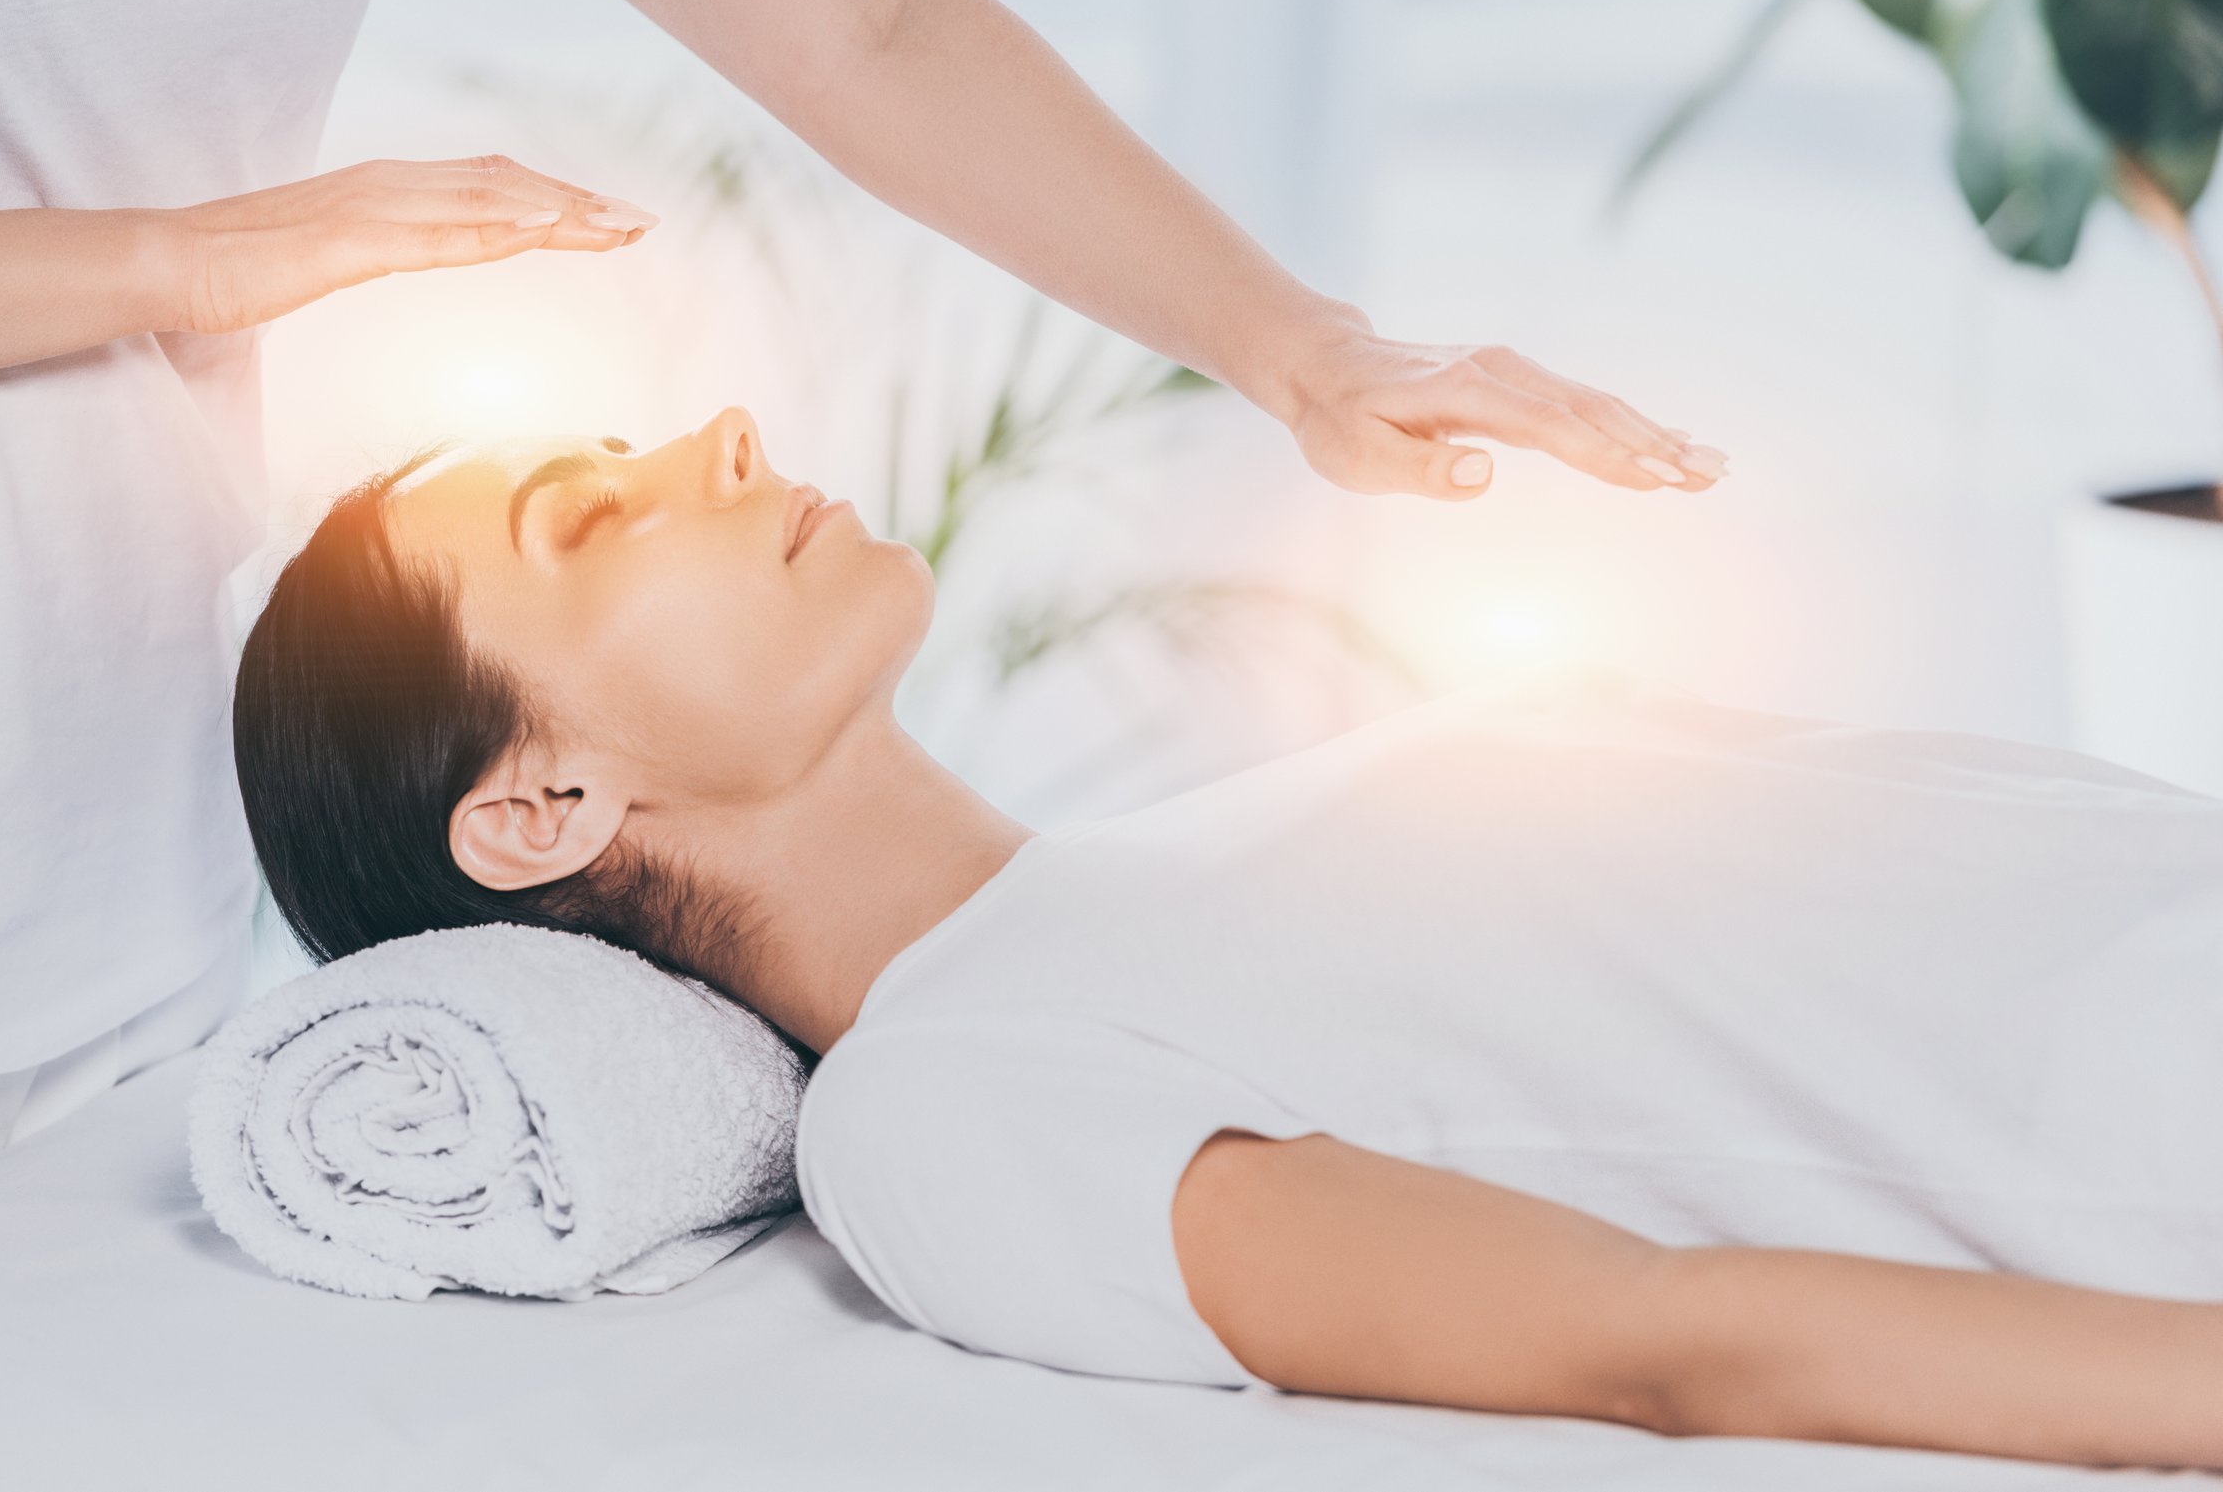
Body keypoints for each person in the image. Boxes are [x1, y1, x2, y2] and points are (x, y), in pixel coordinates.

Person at [0, 0, 1719, 1236]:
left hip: (96, 836)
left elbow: (860, 13)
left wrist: (1300, 348)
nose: (725, 453)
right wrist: (198, 259)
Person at [233, 411, 2223, 1472]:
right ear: (538, 809)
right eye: (591, 521)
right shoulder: (938, 1109)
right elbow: (1655, 1339)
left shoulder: (1181, 854)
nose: (725, 437)